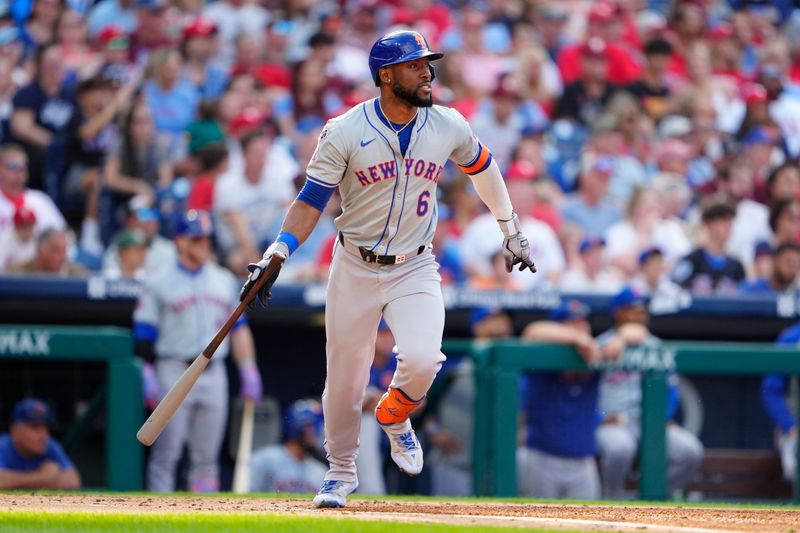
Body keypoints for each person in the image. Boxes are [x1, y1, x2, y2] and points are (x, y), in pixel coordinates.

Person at [239, 30, 537, 509]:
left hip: (415, 264)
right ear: (386, 74)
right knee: (345, 379)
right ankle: (339, 473)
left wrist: (509, 227)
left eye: (427, 63)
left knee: (422, 360)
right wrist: (278, 250)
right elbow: (310, 202)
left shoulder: (447, 123)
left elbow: (484, 168)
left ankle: (395, 415)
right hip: (355, 263)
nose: (427, 72)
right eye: (415, 65)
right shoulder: (342, 130)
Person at [134, 210, 263, 492]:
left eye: (207, 239)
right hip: (174, 370)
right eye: (196, 239)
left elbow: (238, 330)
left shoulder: (223, 279)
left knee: (206, 458)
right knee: (166, 453)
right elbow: (144, 333)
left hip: (213, 372)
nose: (204, 244)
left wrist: (248, 369)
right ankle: (156, 516)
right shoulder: (158, 281)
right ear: (180, 242)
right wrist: (145, 371)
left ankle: (203, 518)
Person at [595, 287, 704, 499]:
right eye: (634, 309)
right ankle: (611, 498)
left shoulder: (655, 345)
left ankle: (654, 497)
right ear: (618, 312)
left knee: (690, 451)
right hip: (614, 422)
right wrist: (600, 417)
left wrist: (662, 418)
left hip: (648, 423)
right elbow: (588, 392)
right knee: (619, 447)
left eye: (643, 308)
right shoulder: (602, 345)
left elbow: (671, 389)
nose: (641, 313)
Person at [517, 299, 610, 499]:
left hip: (583, 461)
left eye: (583, 321)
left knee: (588, 526)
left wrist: (619, 340)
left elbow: (635, 333)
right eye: (573, 321)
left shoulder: (593, 352)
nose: (581, 326)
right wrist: (577, 338)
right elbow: (532, 332)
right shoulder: (542, 355)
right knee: (539, 526)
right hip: (543, 458)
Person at [0, 398, 81, 490]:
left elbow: (73, 482)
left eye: (45, 427)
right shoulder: (3, 446)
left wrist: (13, 480)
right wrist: (42, 477)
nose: (43, 435)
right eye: (34, 427)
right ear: (14, 431)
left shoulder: (50, 446)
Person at [249, 399, 327, 494]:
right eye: (311, 426)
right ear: (296, 426)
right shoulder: (264, 459)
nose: (317, 432)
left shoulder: (321, 472)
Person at [762, 323, 800, 483]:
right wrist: (789, 426)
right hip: (795, 426)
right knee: (794, 466)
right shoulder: (792, 338)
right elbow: (770, 392)